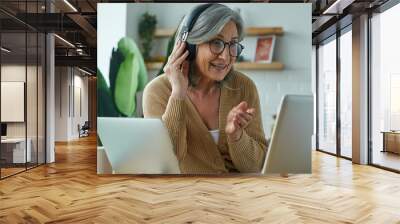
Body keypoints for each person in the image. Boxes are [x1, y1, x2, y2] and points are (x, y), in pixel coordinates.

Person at [143, 3, 267, 174]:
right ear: (190, 47)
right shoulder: (157, 91)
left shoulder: (244, 87)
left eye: (233, 44)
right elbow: (168, 161)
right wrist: (178, 94)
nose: (225, 57)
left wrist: (237, 136)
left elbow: (256, 166)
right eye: (216, 42)